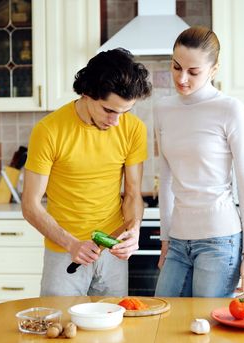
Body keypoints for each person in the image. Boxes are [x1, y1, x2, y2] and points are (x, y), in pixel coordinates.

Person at [22, 48, 152, 296]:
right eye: (109, 110)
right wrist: (72, 244)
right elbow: (30, 205)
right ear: (87, 93)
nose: (116, 121)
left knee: (114, 330)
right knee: (59, 329)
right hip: (65, 252)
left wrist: (134, 228)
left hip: (113, 252)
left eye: (124, 112)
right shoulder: (49, 131)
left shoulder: (134, 129)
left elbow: (133, 194)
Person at [153, 26, 244, 298]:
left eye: (193, 71)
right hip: (177, 240)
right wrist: (165, 239)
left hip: (219, 239)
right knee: (164, 322)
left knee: (208, 330)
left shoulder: (230, 109)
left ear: (214, 69)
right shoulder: (163, 109)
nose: (182, 78)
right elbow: (165, 179)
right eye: (176, 67)